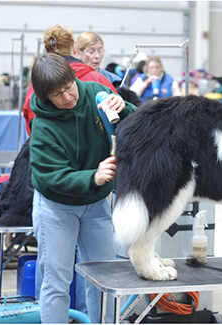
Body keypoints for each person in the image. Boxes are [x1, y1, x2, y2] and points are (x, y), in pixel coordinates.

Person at [29, 53, 137, 323]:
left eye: (69, 86)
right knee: (57, 282)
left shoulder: (96, 92)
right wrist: (93, 177)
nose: (67, 97)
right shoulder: (43, 127)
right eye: (57, 94)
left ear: (74, 78)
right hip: (56, 209)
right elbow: (51, 176)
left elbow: (135, 127)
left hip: (96, 206)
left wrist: (123, 108)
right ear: (45, 97)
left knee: (105, 279)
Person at [23, 25, 117, 135]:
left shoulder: (36, 88)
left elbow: (33, 126)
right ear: (74, 47)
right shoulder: (99, 80)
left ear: (48, 51)